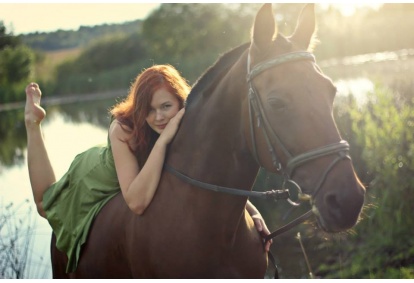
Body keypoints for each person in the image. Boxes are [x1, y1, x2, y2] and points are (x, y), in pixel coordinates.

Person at [24, 64, 272, 273]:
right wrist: (164, 141)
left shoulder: (188, 121)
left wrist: (253, 211)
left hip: (137, 177)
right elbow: (136, 202)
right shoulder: (123, 129)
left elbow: (211, 180)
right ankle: (32, 123)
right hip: (97, 176)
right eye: (149, 110)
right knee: (44, 205)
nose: (159, 118)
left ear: (180, 101)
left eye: (166, 106)